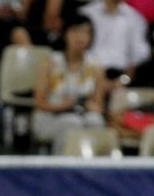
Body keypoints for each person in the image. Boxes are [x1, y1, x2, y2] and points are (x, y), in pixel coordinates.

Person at [32, 15, 107, 152]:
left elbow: (98, 106)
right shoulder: (49, 63)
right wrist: (62, 106)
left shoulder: (96, 67)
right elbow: (39, 102)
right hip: (50, 117)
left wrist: (88, 106)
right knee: (72, 122)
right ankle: (62, 162)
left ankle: (91, 162)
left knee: (96, 121)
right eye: (75, 31)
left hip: (82, 115)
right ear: (65, 34)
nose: (80, 37)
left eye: (86, 32)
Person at [80, 0, 151, 80]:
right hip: (88, 76)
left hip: (122, 79)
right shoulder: (85, 15)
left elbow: (140, 55)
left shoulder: (136, 18)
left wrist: (124, 80)